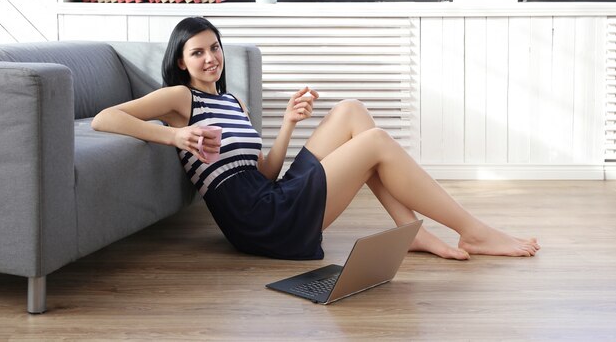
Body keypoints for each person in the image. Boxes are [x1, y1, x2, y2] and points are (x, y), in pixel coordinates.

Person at [92, 16, 540, 261]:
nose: (210, 57)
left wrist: (288, 123)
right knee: (377, 142)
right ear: (182, 61)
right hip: (260, 222)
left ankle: (411, 230)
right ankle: (471, 231)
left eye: (214, 47)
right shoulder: (179, 98)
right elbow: (105, 119)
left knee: (351, 110)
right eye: (198, 52)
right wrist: (175, 137)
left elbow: (264, 171)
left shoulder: (235, 104)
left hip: (270, 194)